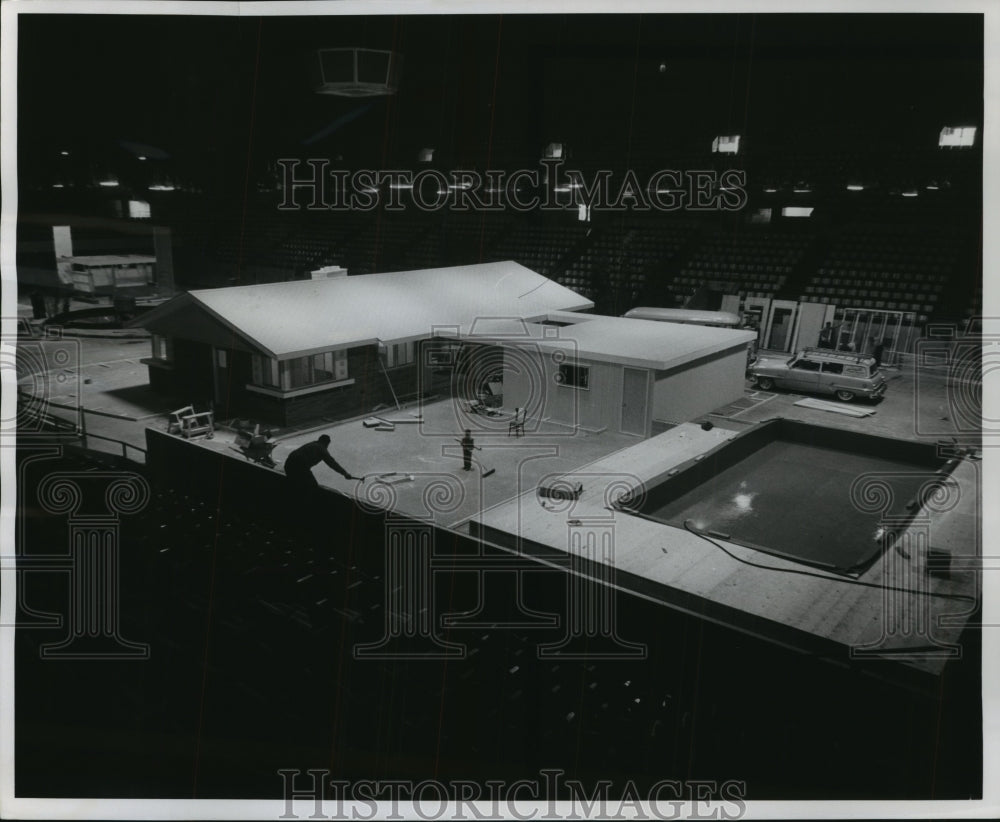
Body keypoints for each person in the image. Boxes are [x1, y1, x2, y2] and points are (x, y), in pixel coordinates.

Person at [283, 434, 354, 491]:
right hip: (300, 466)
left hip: (289, 464)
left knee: (295, 485)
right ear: (327, 443)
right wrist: (345, 473)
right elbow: (332, 463)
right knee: (313, 486)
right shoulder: (322, 449)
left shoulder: (313, 444)